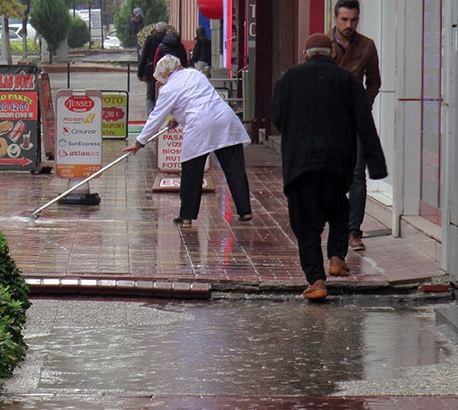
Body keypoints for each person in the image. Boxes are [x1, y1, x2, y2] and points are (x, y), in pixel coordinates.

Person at [271, 33, 387, 300]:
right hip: (336, 163)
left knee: (306, 225)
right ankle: (336, 256)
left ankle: (316, 281)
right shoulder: (347, 80)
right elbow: (364, 124)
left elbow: (278, 119)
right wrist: (376, 165)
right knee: (338, 210)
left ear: (305, 55)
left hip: (300, 165)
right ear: (333, 54)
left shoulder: (287, 79)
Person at [123, 55, 253, 228]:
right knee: (234, 168)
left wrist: (140, 142)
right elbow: (195, 98)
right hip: (224, 119)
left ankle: (186, 216)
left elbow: (156, 116)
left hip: (200, 125)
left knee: (192, 170)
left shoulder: (169, 89)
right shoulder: (195, 74)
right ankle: (245, 210)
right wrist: (176, 119)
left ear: (165, 73)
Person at [326, 0, 381, 251]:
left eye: (353, 20)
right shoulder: (323, 44)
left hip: (355, 119)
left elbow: (374, 82)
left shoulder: (367, 46)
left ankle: (353, 231)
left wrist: (364, 104)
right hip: (327, 119)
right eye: (344, 20)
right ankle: (332, 226)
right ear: (335, 18)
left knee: (357, 175)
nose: (349, 25)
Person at [137, 22, 168, 115]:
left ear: (156, 30)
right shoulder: (170, 39)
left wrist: (140, 73)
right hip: (167, 71)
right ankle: (161, 115)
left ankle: (151, 116)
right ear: (166, 30)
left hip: (151, 70)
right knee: (165, 94)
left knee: (150, 95)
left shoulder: (150, 39)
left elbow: (144, 56)